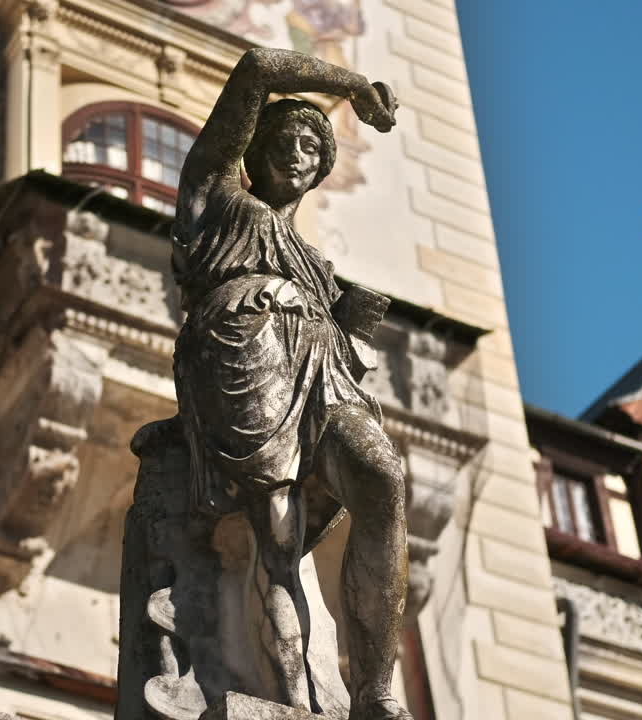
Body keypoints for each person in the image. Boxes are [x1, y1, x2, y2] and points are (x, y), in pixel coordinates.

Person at [171, 47, 410, 720]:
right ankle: (297, 699)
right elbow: (256, 68)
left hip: (322, 366)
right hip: (242, 349)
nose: (297, 150)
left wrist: (355, 322)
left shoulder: (316, 263)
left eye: (312, 144)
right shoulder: (213, 195)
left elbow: (354, 348)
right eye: (284, 137)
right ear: (254, 149)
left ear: (321, 168)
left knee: (383, 480)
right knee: (275, 537)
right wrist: (355, 85)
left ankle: (375, 688)